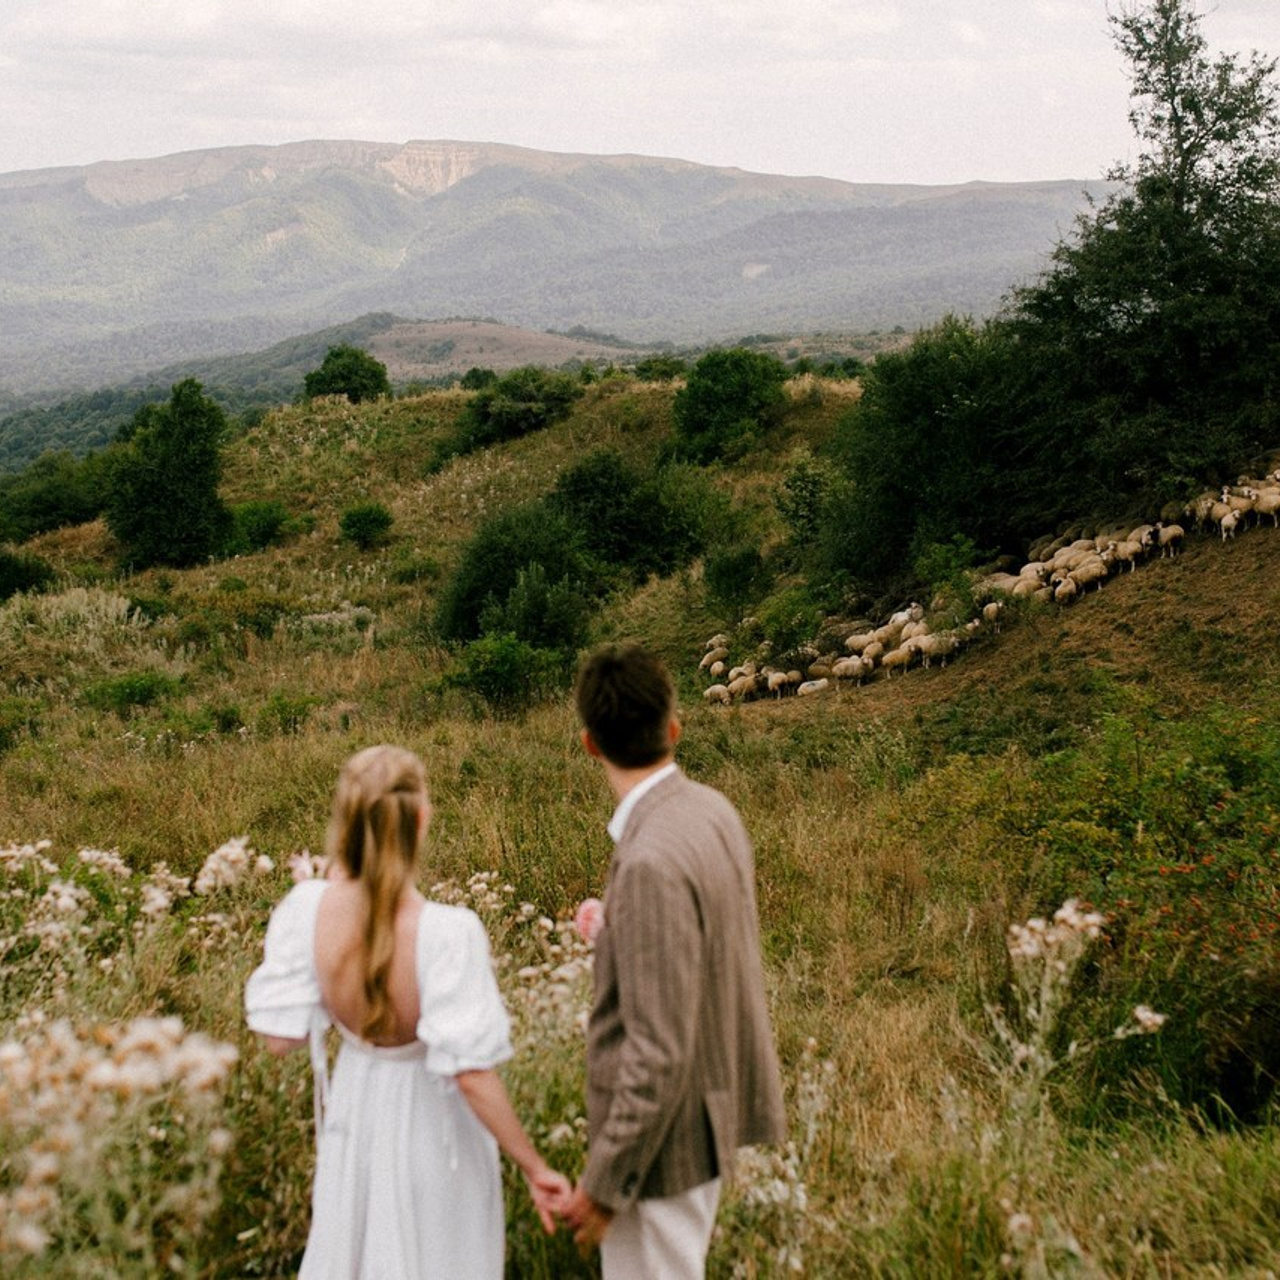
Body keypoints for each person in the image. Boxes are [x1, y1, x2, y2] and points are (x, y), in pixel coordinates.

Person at [244, 744, 568, 1278]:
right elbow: (471, 1075)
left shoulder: (306, 910)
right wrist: (535, 1168)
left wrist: (313, 908)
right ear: (420, 819)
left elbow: (280, 1039)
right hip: (433, 1133)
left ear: (345, 822)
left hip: (355, 1119)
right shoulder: (448, 932)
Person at [562, 643, 787, 1278]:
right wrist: (616, 931)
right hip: (708, 1113)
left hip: (662, 1152)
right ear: (674, 727)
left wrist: (604, 1185)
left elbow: (657, 1052)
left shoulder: (648, 862)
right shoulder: (713, 811)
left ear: (590, 744)